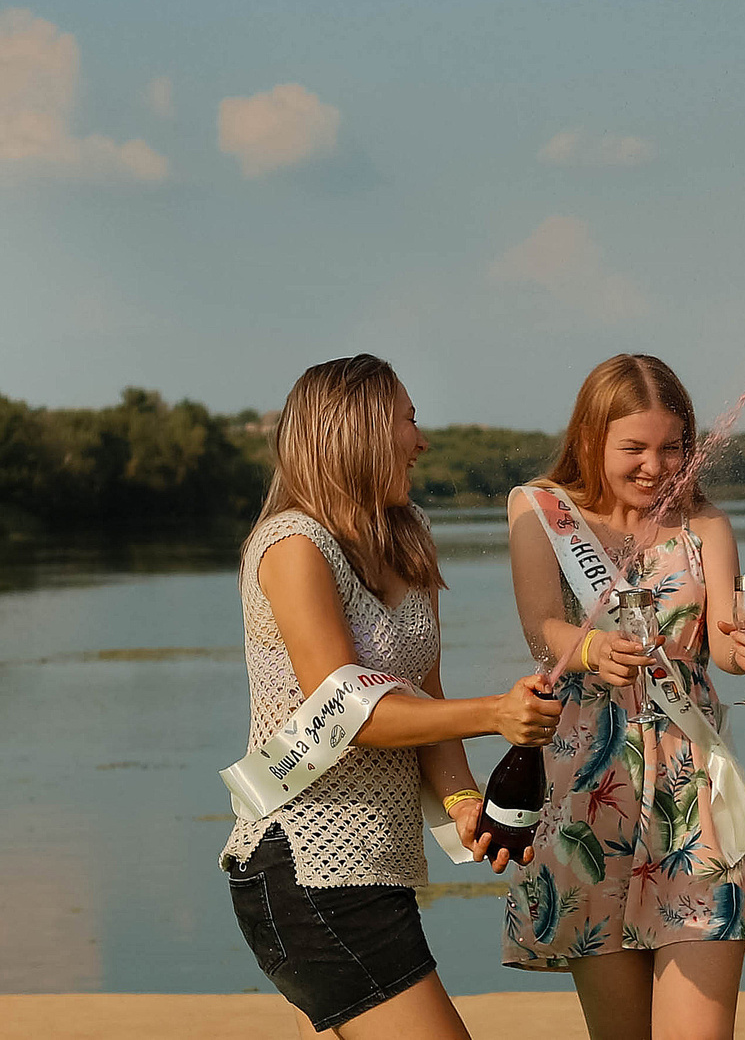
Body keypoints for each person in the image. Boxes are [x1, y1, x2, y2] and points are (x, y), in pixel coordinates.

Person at [222, 354, 562, 1039]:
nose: (422, 439)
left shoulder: (409, 536)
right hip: (305, 865)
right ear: (359, 431)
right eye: (409, 419)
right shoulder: (293, 546)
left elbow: (424, 700)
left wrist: (465, 803)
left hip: (378, 869)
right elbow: (347, 712)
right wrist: (497, 711)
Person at [500, 353, 745, 1040]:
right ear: (591, 438)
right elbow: (543, 628)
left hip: (694, 792)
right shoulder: (541, 510)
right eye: (635, 448)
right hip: (590, 791)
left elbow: (719, 643)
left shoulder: (705, 525)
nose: (656, 465)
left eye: (673, 446)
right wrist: (593, 647)